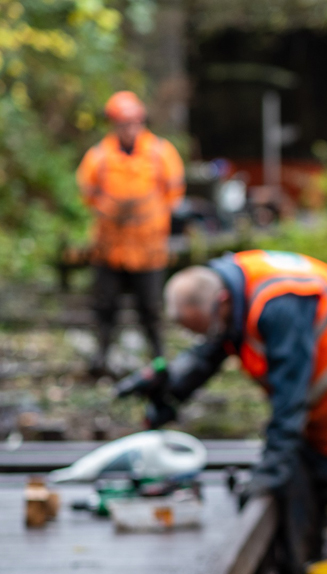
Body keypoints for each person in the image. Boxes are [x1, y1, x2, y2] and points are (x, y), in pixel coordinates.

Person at [121, 250, 327, 574]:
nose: (211, 337)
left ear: (221, 303)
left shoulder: (280, 306)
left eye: (208, 327)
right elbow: (213, 349)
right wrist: (169, 390)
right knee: (300, 498)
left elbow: (289, 405)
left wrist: (266, 475)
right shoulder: (230, 285)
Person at [77, 91, 185, 376]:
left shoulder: (162, 153)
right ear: (113, 124)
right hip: (109, 247)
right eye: (123, 123)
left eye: (134, 122)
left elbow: (174, 194)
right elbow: (87, 195)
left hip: (149, 248)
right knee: (104, 306)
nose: (129, 128)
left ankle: (159, 359)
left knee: (150, 307)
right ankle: (101, 358)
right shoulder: (98, 157)